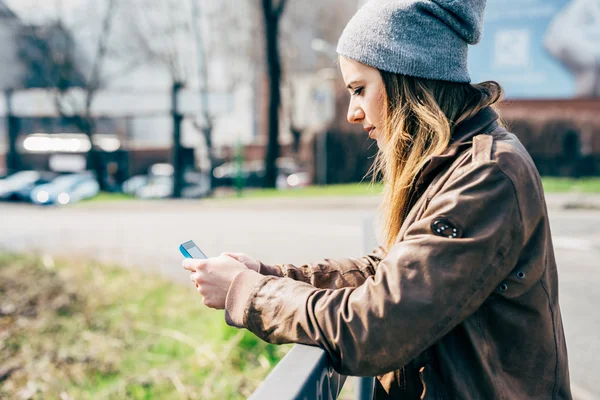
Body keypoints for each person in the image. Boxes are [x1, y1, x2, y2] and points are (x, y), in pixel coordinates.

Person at [183, 0, 572, 398]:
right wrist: (270, 274)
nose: (352, 112)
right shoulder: (452, 164)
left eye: (359, 89)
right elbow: (389, 274)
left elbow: (374, 329)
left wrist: (247, 292)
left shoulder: (484, 177)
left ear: (408, 77)